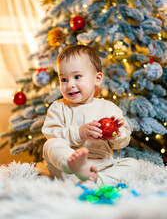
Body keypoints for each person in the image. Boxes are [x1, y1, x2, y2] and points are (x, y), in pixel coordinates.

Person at [42, 45, 139, 185]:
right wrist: (79, 133)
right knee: (50, 144)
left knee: (133, 165)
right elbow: (51, 133)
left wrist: (117, 134)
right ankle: (76, 167)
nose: (70, 84)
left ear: (97, 79)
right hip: (66, 169)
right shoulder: (59, 107)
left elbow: (123, 143)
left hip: (100, 166)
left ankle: (95, 181)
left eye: (77, 77)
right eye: (63, 79)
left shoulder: (109, 108)